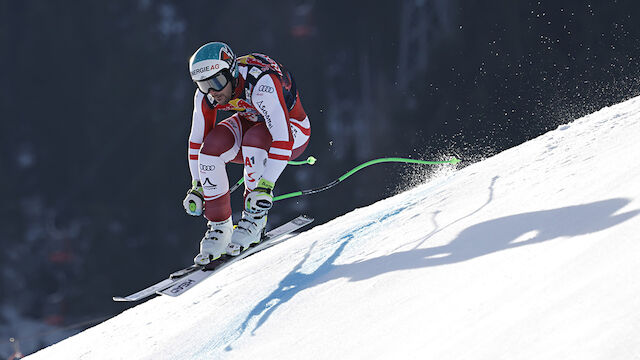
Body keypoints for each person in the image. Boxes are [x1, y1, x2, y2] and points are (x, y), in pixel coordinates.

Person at [182, 42, 311, 266]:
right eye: (203, 85)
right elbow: (196, 141)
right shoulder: (207, 95)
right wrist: (197, 185)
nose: (212, 91)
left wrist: (265, 186)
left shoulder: (262, 83)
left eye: (217, 82)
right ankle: (219, 228)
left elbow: (282, 138)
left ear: (231, 72)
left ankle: (254, 220)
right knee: (211, 148)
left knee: (255, 140)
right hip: (251, 121)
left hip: (292, 130)